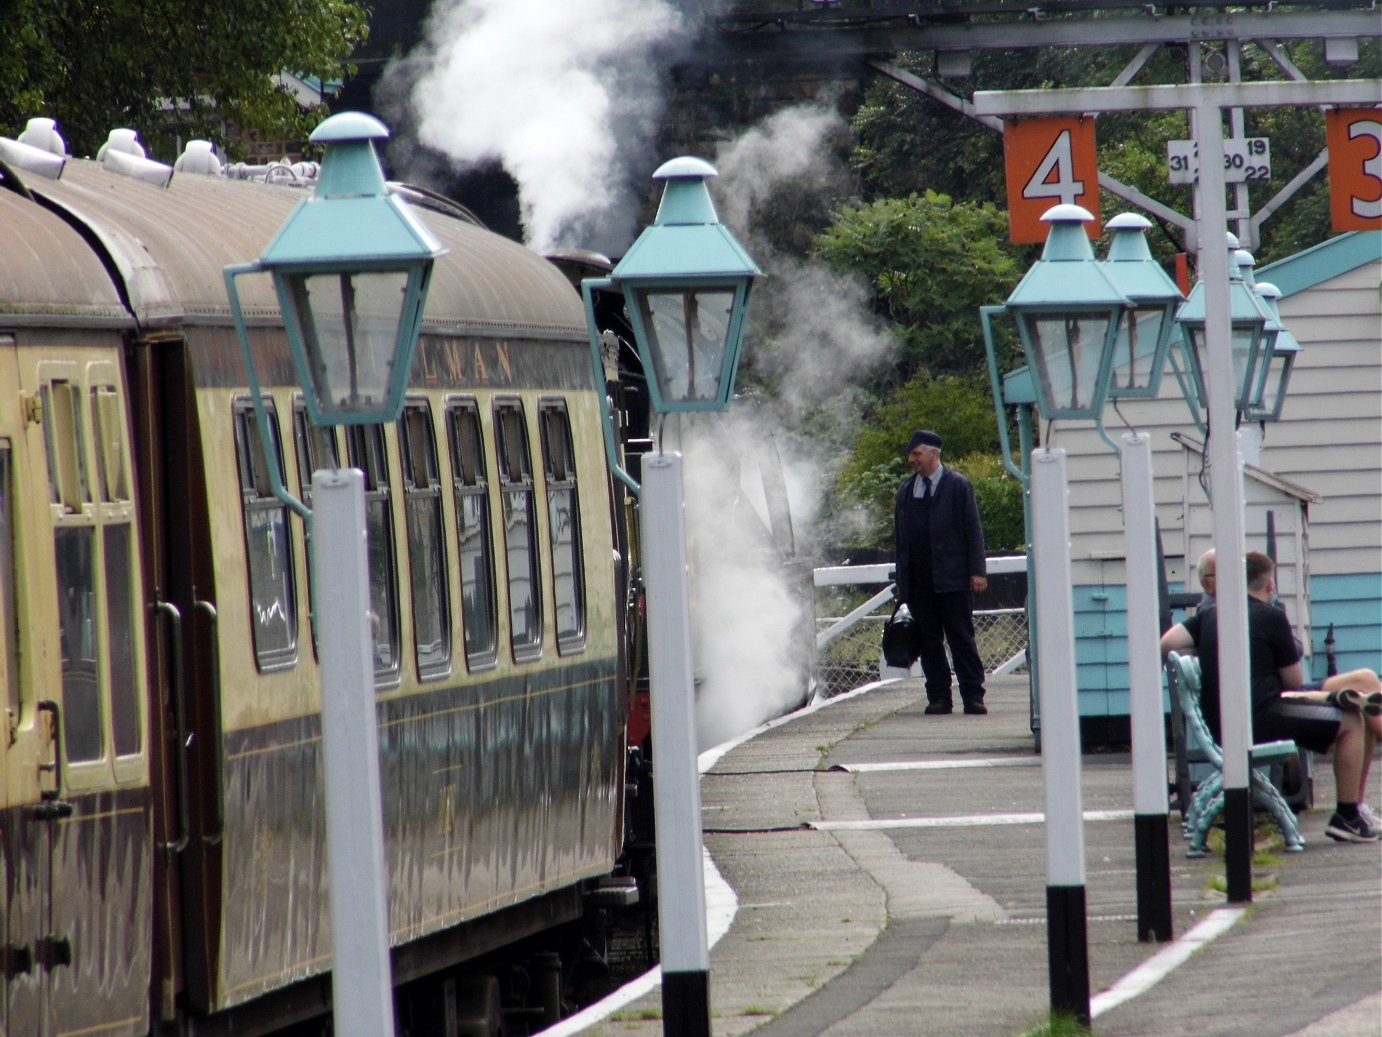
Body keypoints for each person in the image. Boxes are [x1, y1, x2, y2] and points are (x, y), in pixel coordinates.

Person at [1161, 550, 1382, 843]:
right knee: (1353, 719)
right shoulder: (1271, 616)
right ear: (1270, 586)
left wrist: (1204, 651)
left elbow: (1167, 643)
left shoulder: (1210, 614)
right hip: (1261, 715)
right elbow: (1294, 681)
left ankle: (1353, 809)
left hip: (1228, 719)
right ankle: (1348, 816)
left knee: (1362, 692)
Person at [893, 430, 988, 715]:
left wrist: (977, 571)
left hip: (954, 579)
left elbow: (973, 531)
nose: (912, 460)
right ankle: (938, 697)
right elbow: (901, 539)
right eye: (911, 455)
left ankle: (973, 696)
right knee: (928, 642)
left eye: (916, 454)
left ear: (933, 454)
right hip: (920, 582)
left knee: (961, 639)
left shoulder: (959, 486)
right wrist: (903, 581)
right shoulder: (906, 491)